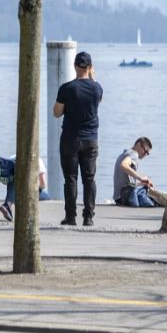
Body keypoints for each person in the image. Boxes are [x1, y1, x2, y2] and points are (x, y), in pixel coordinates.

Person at [53, 51, 103, 227]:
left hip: (70, 139)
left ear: (74, 66)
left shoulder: (66, 88)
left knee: (70, 179)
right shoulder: (97, 88)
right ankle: (88, 217)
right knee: (89, 179)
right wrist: (93, 77)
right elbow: (99, 100)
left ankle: (70, 216)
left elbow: (56, 112)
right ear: (90, 67)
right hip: (91, 139)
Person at [112, 137, 167, 208]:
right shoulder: (134, 154)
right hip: (127, 196)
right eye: (145, 151)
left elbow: (126, 183)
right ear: (138, 145)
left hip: (119, 198)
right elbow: (123, 165)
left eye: (147, 153)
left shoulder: (124, 154)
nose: (145, 154)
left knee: (147, 189)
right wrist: (140, 177)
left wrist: (141, 183)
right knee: (161, 198)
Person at [0, 154, 50, 222]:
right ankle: (8, 205)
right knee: (47, 196)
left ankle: (7, 205)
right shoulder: (37, 159)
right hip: (30, 191)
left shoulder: (12, 158)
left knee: (14, 177)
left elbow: (5, 182)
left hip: (16, 191)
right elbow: (43, 184)